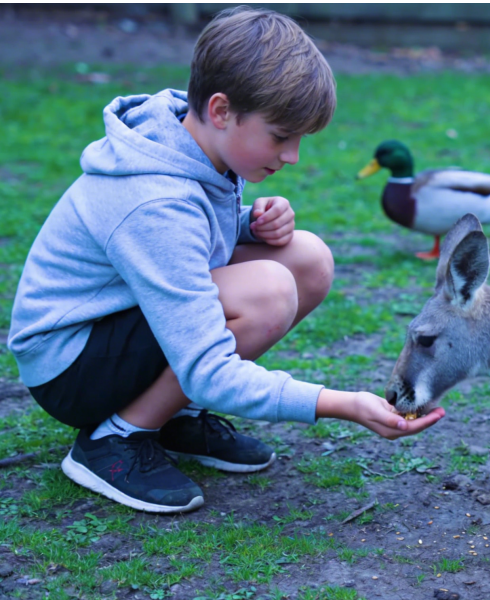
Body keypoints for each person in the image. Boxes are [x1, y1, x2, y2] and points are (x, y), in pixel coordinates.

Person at [7, 6, 444, 514]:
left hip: (116, 326)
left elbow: (188, 240)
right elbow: (201, 339)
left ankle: (174, 415)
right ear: (220, 110)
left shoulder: (194, 144)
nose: (293, 156)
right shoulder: (153, 199)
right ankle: (114, 440)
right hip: (68, 365)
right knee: (269, 292)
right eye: (281, 136)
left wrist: (246, 225)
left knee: (306, 258)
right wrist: (339, 403)